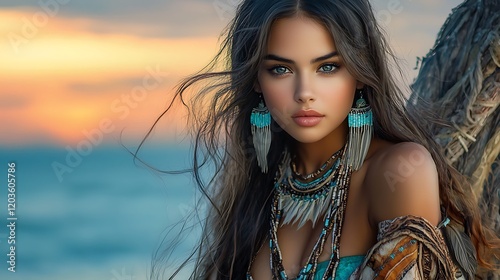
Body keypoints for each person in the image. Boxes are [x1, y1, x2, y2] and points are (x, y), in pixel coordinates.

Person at [149, 0, 500, 279]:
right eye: (280, 69)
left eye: (327, 67)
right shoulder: (256, 185)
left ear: (361, 73)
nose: (304, 93)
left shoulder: (399, 170)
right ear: (256, 79)